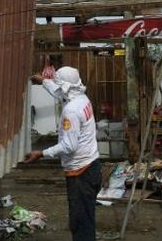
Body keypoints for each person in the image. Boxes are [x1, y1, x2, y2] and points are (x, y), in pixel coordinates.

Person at [25, 67, 101, 241]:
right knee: (86, 219)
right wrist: (43, 81)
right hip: (92, 167)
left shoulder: (71, 111)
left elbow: (68, 146)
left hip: (81, 174)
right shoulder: (81, 98)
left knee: (80, 223)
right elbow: (59, 92)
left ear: (65, 86)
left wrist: (41, 153)